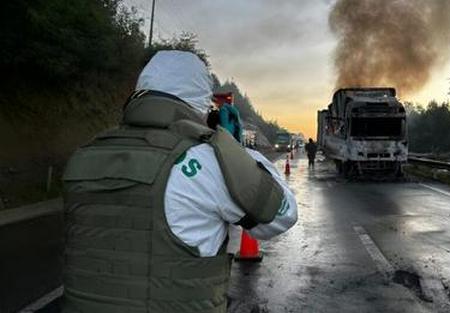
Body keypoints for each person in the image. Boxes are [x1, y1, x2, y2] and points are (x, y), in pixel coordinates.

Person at [61, 50, 297, 313]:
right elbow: (281, 215)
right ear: (200, 107)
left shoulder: (82, 157)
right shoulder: (208, 160)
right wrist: (235, 149)